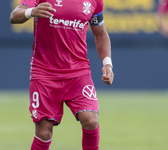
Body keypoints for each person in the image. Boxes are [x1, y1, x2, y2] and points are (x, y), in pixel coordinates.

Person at [10, 0, 114, 149]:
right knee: (44, 132)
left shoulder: (95, 1)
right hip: (44, 73)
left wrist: (107, 64)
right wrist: (31, 12)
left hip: (78, 73)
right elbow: (14, 16)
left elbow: (101, 35)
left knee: (91, 120)